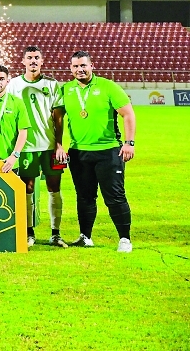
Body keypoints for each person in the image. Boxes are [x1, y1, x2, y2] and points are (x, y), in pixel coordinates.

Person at [53, 51, 136, 252]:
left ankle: (125, 239)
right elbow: (57, 118)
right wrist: (59, 145)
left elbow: (128, 114)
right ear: (70, 68)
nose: (79, 69)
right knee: (84, 196)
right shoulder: (66, 89)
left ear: (92, 66)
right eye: (75, 66)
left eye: (83, 65)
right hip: (79, 153)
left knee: (114, 196)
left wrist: (129, 143)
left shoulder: (108, 86)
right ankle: (85, 237)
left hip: (108, 151)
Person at [7, 46, 67, 247]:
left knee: (54, 188)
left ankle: (55, 233)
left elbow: (58, 118)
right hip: (26, 147)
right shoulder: (13, 85)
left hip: (49, 146)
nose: (33, 61)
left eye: (36, 58)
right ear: (23, 61)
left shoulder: (52, 84)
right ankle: (29, 232)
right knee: (27, 189)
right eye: (29, 57)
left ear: (42, 61)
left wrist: (59, 145)